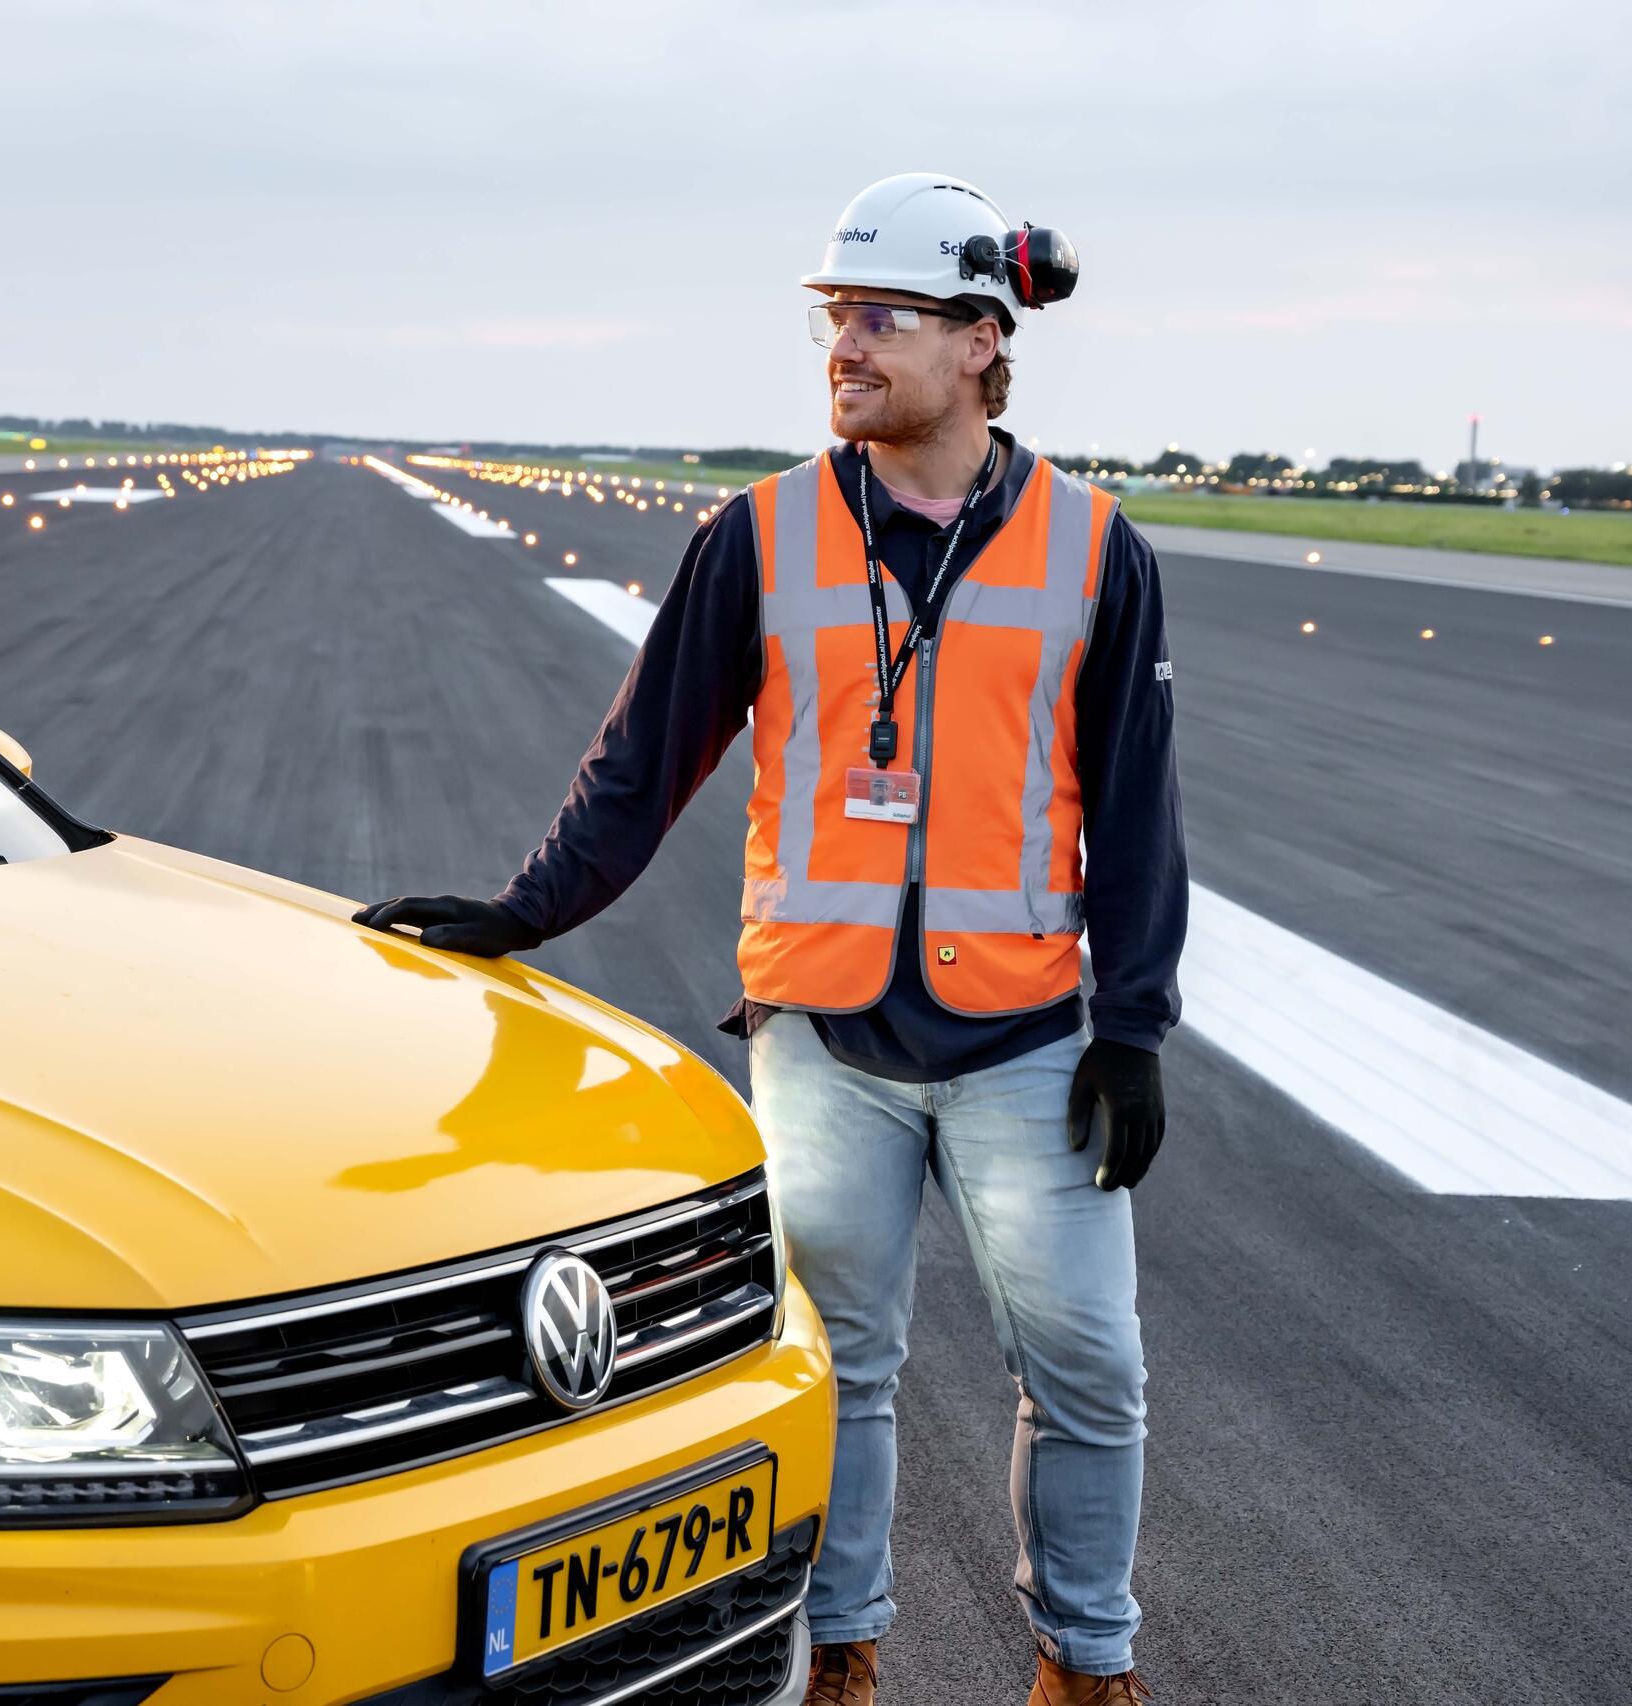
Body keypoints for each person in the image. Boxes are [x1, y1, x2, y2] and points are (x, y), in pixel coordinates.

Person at [356, 172, 1184, 1706]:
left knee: (1090, 1372)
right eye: (832, 316)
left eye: (882, 317)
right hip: (822, 1037)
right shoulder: (760, 537)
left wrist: (1132, 1024)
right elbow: (643, 759)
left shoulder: (1093, 551)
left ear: (982, 342)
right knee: (837, 1366)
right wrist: (523, 909)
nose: (843, 346)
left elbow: (1136, 810)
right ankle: (842, 1653)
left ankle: (1087, 1663)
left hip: (1026, 1044)